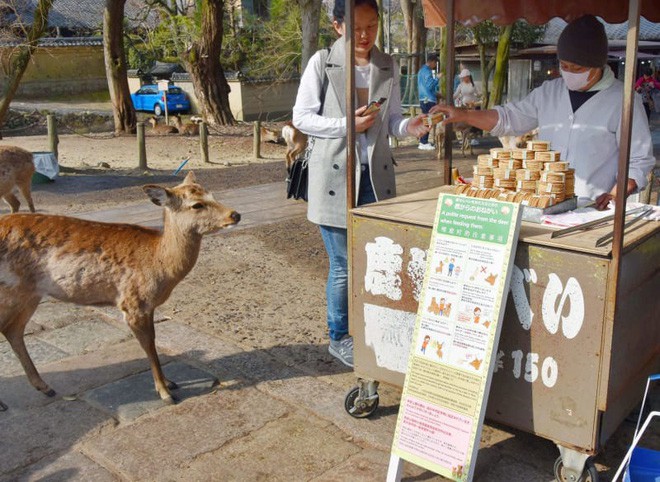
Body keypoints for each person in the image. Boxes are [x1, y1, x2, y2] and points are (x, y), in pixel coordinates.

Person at [292, 0, 430, 367]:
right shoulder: (322, 61)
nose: (365, 35)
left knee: (377, 261)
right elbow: (302, 117)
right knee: (343, 265)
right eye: (356, 28)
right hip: (334, 177)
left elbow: (392, 121)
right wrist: (345, 125)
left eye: (372, 26)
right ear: (338, 26)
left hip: (375, 177)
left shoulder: (387, 64)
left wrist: (410, 128)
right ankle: (339, 336)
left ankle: (372, 326)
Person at [431, 14, 655, 210]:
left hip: (593, 207)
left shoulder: (624, 101)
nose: (568, 73)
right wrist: (464, 115)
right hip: (548, 203)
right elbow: (509, 118)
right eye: (564, 66)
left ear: (599, 64)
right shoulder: (549, 92)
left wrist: (616, 194)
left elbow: (638, 161)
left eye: (577, 69)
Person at [417, 52, 439, 150]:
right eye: (435, 63)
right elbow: (430, 85)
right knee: (429, 120)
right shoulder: (427, 71)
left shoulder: (421, 71)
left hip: (423, 98)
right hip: (428, 99)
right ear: (432, 62)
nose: (435, 66)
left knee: (427, 119)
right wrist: (437, 78)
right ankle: (423, 142)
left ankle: (423, 141)